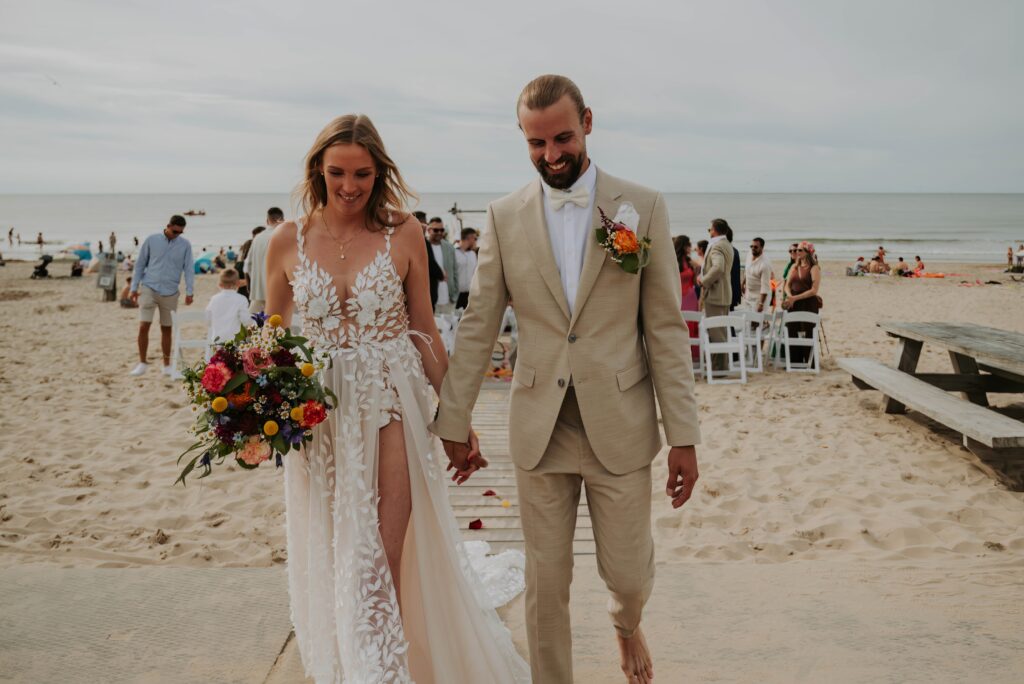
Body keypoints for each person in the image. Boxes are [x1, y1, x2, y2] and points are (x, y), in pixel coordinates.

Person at [431, 75, 701, 684]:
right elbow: (478, 324)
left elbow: (663, 329)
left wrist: (683, 433)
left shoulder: (644, 207)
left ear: (587, 122)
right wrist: (454, 416)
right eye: (536, 143)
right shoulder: (504, 216)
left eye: (562, 138)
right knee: (544, 581)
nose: (551, 155)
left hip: (621, 423)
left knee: (628, 575)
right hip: (539, 425)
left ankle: (626, 625)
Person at [263, 114, 529, 684]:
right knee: (338, 549)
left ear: (379, 172)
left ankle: (382, 676)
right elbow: (271, 342)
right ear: (318, 171)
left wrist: (457, 417)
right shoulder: (285, 241)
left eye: (362, 173)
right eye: (337, 173)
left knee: (379, 555)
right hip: (319, 417)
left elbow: (426, 331)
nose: (350, 186)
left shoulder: (403, 232)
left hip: (391, 402)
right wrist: (255, 413)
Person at [128, 215, 195, 376]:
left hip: (170, 291)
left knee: (167, 328)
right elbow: (140, 264)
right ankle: (142, 363)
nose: (176, 235)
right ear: (168, 226)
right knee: (144, 325)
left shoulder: (185, 245)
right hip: (149, 287)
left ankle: (166, 365)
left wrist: (190, 291)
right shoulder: (152, 240)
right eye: (174, 231)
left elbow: (189, 269)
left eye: (180, 233)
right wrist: (133, 287)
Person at [700, 219, 734, 371]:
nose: (709, 232)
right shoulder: (727, 244)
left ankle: (718, 369)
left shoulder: (717, 246)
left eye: (710, 229)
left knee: (715, 333)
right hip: (724, 294)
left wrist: (704, 281)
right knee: (721, 331)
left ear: (714, 230)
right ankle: (721, 367)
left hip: (715, 294)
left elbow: (718, 267)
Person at [783, 241, 821, 365]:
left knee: (808, 333)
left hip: (808, 304)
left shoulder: (814, 268)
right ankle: (795, 362)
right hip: (793, 304)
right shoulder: (794, 267)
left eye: (800, 250)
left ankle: (810, 363)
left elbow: (814, 290)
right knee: (792, 331)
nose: (796, 252)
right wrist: (789, 297)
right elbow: (787, 285)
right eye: (796, 250)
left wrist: (796, 298)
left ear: (808, 252)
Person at [244, 207, 285, 313]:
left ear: (267, 221)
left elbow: (247, 265)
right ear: (282, 220)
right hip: (280, 292)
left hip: (259, 293)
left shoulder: (257, 238)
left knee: (254, 326)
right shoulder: (285, 236)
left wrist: (251, 286)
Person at [205, 268, 251, 343]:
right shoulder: (241, 299)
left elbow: (208, 317)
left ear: (220, 284)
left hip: (217, 339)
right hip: (235, 340)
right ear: (238, 283)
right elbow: (246, 319)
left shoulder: (214, 299)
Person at [674, 235, 700, 361]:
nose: (690, 247)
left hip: (691, 296)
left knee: (693, 324)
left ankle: (693, 355)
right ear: (683, 246)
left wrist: (695, 269)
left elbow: (696, 279)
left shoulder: (689, 261)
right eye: (688, 245)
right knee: (682, 323)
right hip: (680, 296)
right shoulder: (674, 262)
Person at [426, 217, 459, 313]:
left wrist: (455, 294)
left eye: (442, 230)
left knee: (450, 327)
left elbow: (455, 271)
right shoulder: (423, 247)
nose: (439, 233)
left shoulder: (449, 247)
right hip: (430, 300)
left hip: (448, 299)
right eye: (436, 230)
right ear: (428, 230)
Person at [743, 237, 774, 312]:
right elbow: (747, 271)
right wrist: (743, 283)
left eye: (756, 247)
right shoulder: (749, 254)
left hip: (759, 297)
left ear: (762, 248)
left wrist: (761, 304)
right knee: (748, 319)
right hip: (749, 294)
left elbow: (765, 287)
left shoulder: (764, 264)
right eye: (751, 246)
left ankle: (764, 323)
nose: (753, 248)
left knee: (757, 321)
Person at [454, 227, 478, 309]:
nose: (476, 241)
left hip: (470, 294)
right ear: (469, 238)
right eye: (475, 238)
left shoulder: (473, 254)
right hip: (456, 294)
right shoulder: (454, 253)